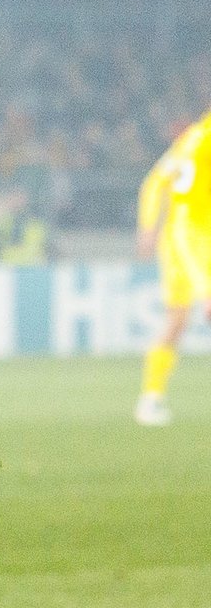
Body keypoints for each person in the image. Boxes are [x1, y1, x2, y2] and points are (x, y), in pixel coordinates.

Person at [134, 109, 211, 426]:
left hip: (176, 234)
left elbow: (154, 182)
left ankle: (150, 398)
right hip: (195, 234)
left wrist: (148, 226)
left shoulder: (192, 136)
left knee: (177, 320)